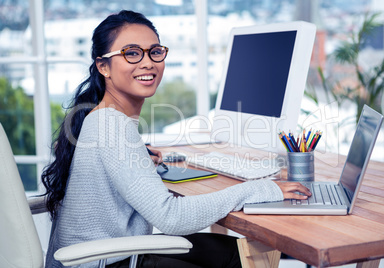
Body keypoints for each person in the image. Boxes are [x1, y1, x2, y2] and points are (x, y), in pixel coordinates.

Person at [41, 10, 311, 268]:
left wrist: (139, 161)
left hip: (107, 254)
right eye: (131, 53)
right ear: (103, 66)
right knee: (246, 258)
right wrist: (262, 188)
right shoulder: (110, 124)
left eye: (155, 52)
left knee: (237, 253)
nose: (148, 62)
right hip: (105, 261)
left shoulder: (102, 118)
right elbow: (171, 217)